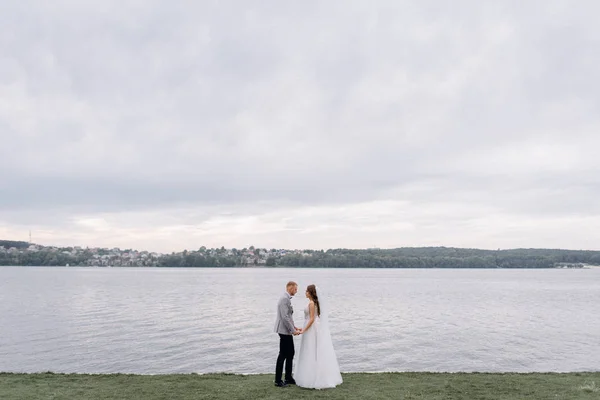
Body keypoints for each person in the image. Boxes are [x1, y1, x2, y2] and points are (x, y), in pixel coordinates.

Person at [294, 284, 343, 389]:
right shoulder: (313, 303)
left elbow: (311, 319)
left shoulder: (312, 303)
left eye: (307, 291)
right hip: (310, 327)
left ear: (311, 293)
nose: (305, 292)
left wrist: (303, 330)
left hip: (310, 328)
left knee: (310, 350)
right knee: (309, 350)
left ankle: (312, 377)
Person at [273, 281, 302, 387]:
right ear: (289, 288)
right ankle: (278, 380)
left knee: (290, 353)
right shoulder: (284, 299)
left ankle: (288, 378)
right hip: (284, 331)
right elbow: (285, 317)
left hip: (287, 330)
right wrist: (293, 331)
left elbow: (288, 316)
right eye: (295, 289)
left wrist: (294, 327)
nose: (296, 291)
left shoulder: (286, 298)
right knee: (283, 355)